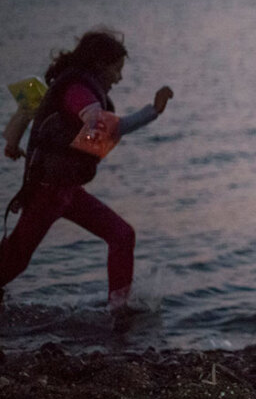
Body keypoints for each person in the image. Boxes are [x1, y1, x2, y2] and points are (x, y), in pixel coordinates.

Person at [0, 27, 174, 314]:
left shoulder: (72, 85)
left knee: (122, 235)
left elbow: (35, 106)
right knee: (15, 261)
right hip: (47, 193)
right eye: (116, 70)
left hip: (66, 191)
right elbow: (99, 124)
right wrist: (152, 111)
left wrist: (13, 145)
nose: (119, 78)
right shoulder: (78, 90)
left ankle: (120, 309)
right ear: (99, 65)